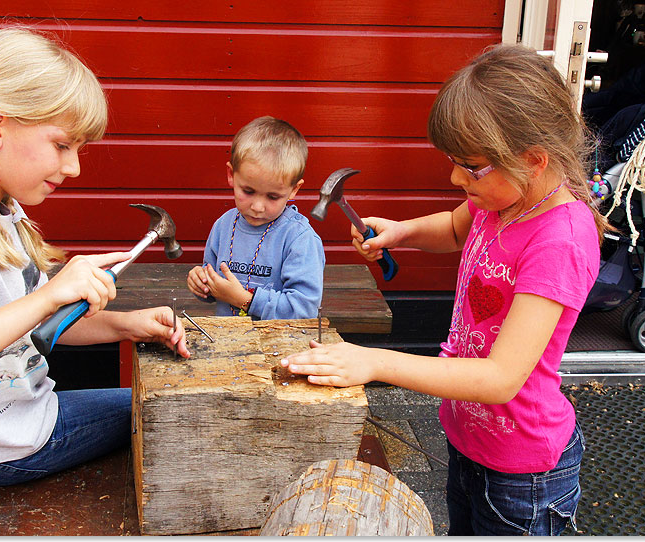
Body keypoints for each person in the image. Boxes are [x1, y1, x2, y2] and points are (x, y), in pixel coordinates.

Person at [281, 45, 608, 536]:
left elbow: (500, 378)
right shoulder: (503, 201)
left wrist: (373, 361)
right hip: (468, 440)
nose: (455, 178)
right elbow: (456, 229)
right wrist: (401, 232)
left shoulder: (559, 241)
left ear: (534, 160)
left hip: (523, 473)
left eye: (470, 167)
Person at [0, 27, 190, 487]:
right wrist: (48, 297)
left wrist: (127, 325)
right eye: (62, 145)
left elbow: (27, 323)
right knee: (170, 410)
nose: (74, 167)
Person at [186, 116, 324, 319]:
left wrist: (245, 300)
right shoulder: (223, 226)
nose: (258, 207)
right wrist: (202, 284)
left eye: (273, 196)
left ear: (294, 189)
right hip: (228, 343)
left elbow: (304, 310)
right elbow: (215, 287)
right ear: (231, 175)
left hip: (283, 347)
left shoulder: (299, 238)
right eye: (248, 191)